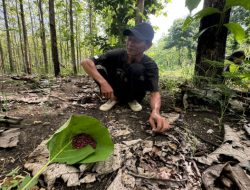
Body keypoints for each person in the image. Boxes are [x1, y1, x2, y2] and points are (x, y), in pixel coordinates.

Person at [81, 22, 170, 133]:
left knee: (137, 68)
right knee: (97, 67)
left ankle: (132, 100)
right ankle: (113, 98)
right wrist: (103, 82)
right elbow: (85, 62)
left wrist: (156, 112)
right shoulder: (117, 54)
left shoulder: (150, 65)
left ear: (148, 46)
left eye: (136, 41)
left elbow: (154, 93)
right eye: (129, 39)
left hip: (135, 93)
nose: (130, 44)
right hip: (114, 90)